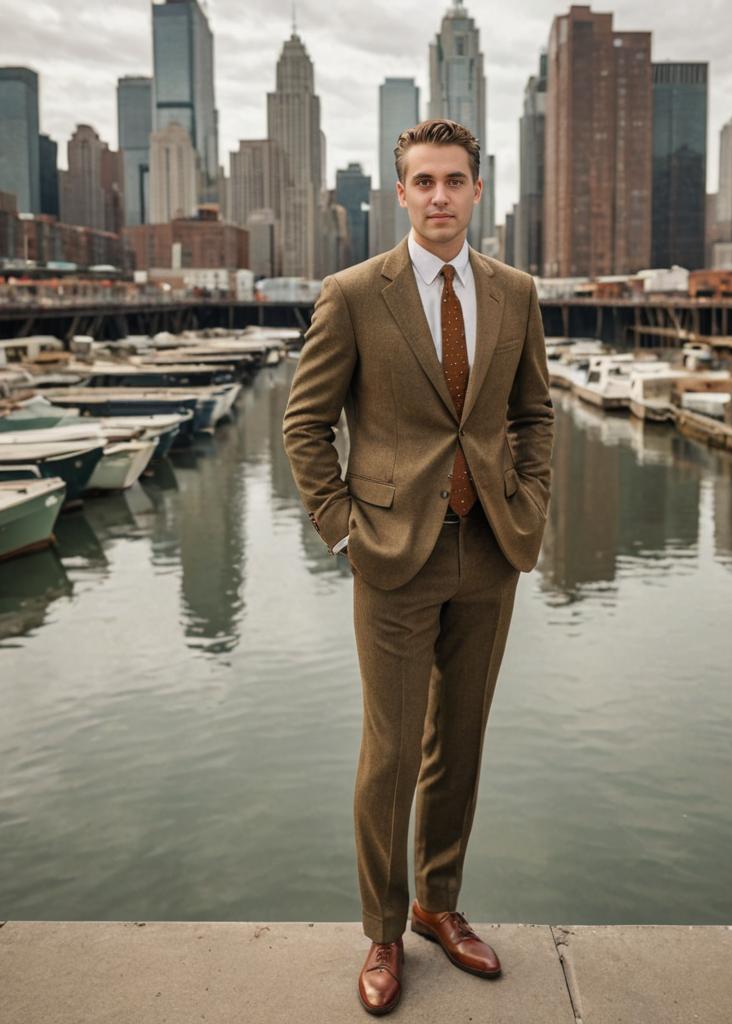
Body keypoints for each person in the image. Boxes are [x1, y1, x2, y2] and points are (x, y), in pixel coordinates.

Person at [282, 117, 554, 1015]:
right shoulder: (356, 293)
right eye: (424, 181)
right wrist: (341, 532)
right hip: (392, 555)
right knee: (392, 751)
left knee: (460, 743)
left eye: (455, 181)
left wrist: (533, 503)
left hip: (491, 551)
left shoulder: (515, 292)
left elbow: (534, 415)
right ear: (399, 193)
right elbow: (305, 425)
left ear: (479, 191)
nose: (440, 196)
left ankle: (440, 902)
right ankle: (383, 929)